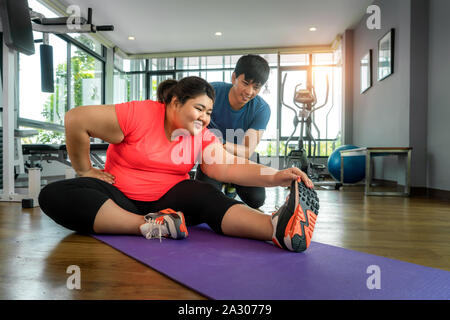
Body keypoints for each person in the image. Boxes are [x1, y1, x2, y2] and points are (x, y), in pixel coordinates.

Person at [38, 76, 319, 253]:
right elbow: (77, 119)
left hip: (171, 200)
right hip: (118, 197)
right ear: (174, 102)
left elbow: (230, 166)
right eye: (199, 109)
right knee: (53, 194)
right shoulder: (140, 113)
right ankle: (148, 225)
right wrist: (85, 170)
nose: (205, 118)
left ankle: (275, 229)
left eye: (209, 112)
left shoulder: (202, 135)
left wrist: (276, 176)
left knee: (206, 194)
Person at [195, 54, 270, 209]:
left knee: (257, 200)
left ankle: (232, 183)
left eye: (256, 87)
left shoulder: (261, 109)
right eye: (245, 83)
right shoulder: (211, 93)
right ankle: (226, 182)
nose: (249, 92)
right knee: (203, 201)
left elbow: (247, 151)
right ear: (234, 77)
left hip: (240, 157)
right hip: (213, 156)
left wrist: (220, 143)